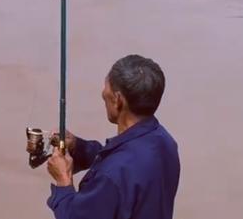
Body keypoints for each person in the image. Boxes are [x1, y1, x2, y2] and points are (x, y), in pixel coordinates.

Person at [44, 54, 180, 219]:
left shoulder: (111, 176)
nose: (103, 93)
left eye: (105, 89)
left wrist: (63, 181)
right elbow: (130, 167)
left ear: (117, 100)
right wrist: (80, 147)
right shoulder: (164, 142)